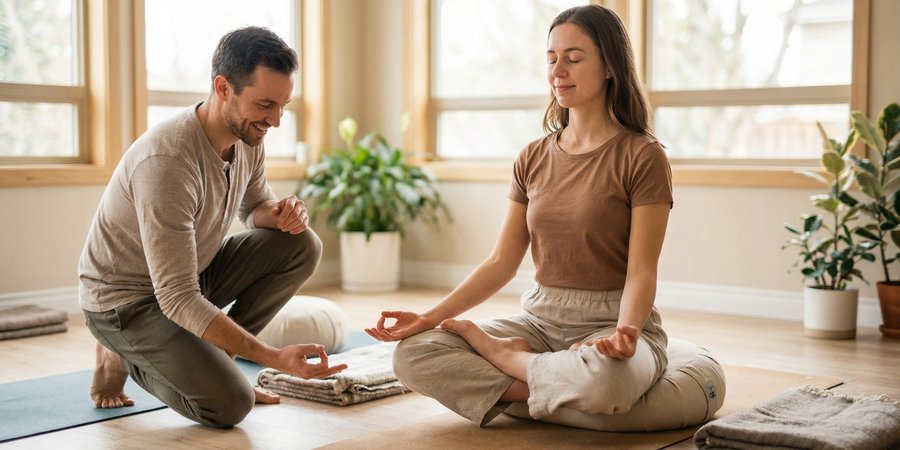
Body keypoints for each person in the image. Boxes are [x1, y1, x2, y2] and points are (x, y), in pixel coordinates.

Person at [366, 4, 672, 427]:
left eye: (574, 58)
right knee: (413, 353)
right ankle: (552, 383)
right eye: (551, 59)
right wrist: (428, 317)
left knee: (609, 381)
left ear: (609, 67)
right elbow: (501, 262)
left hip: (609, 321)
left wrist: (628, 334)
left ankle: (508, 361)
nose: (558, 71)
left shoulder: (642, 156)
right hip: (540, 320)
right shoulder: (532, 156)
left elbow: (642, 271)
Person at [78, 26, 346, 428]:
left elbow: (254, 206)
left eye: (283, 106)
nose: (274, 120)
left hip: (186, 279)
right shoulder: (168, 161)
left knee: (300, 244)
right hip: (127, 302)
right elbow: (176, 297)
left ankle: (215, 363)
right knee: (229, 406)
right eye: (266, 104)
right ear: (223, 88)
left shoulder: (247, 137)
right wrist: (270, 356)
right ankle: (123, 352)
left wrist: (277, 213)